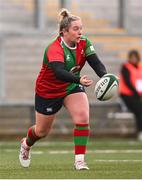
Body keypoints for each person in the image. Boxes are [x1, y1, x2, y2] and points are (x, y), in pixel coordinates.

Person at [19, 9, 107, 170]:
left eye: (81, 28)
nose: (80, 32)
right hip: (48, 90)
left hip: (71, 86)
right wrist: (79, 79)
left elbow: (96, 62)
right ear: (64, 31)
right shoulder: (54, 48)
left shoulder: (84, 42)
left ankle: (79, 161)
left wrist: (106, 77)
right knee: (41, 132)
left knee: (82, 118)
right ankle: (26, 144)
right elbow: (59, 72)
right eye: (76, 29)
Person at [119, 50, 142, 140]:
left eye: (135, 57)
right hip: (127, 94)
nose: (133, 59)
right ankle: (140, 132)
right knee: (139, 111)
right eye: (132, 57)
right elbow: (128, 82)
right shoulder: (125, 67)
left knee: (139, 112)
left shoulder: (140, 67)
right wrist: (137, 94)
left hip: (138, 95)